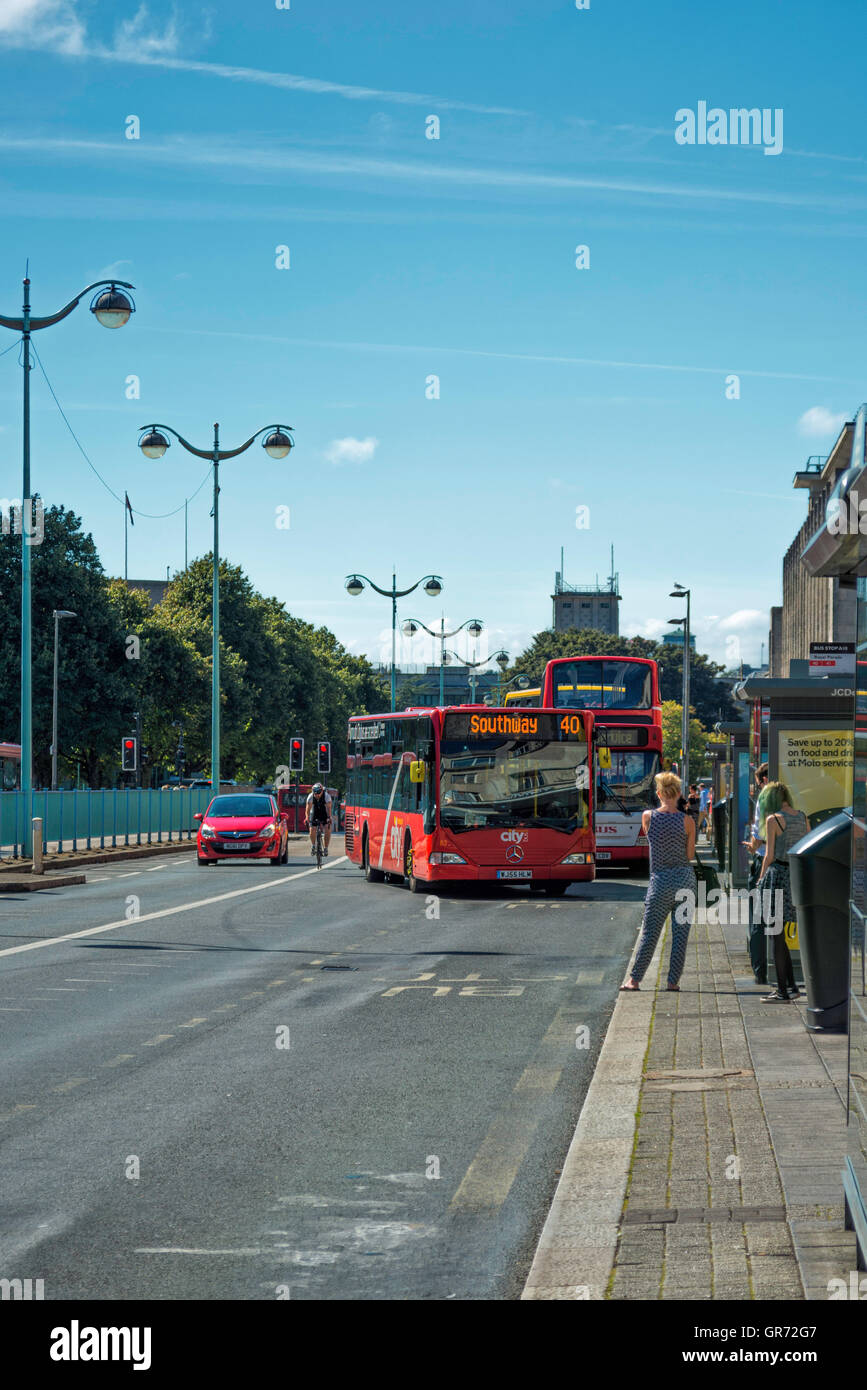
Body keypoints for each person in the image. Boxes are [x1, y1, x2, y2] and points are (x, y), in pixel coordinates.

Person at [621, 771, 696, 993]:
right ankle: (673, 982)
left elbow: (651, 839)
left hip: (660, 880)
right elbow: (690, 855)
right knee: (680, 935)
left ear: (659, 793)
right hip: (684, 880)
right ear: (679, 793)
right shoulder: (688, 821)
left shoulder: (648, 817)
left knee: (650, 932)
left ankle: (634, 980)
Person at [756, 781, 809, 1003]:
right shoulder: (802, 816)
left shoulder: (773, 819)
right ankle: (791, 986)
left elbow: (768, 855)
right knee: (780, 935)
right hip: (795, 876)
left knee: (775, 934)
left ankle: (782, 991)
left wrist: (760, 879)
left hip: (776, 875)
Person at [743, 763, 769, 984]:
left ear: (763, 780)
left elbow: (759, 834)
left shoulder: (764, 800)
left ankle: (760, 969)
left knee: (758, 917)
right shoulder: (790, 802)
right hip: (785, 863)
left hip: (763, 862)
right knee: (777, 916)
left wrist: (752, 846)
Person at [306, 782, 333, 857]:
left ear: (322, 791)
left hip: (324, 812)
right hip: (315, 812)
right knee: (312, 828)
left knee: (327, 828)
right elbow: (307, 810)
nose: (317, 795)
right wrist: (307, 818)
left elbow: (329, 808)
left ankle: (326, 848)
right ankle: (313, 845)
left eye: (319, 793)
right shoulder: (310, 797)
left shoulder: (327, 796)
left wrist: (329, 817)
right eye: (315, 793)